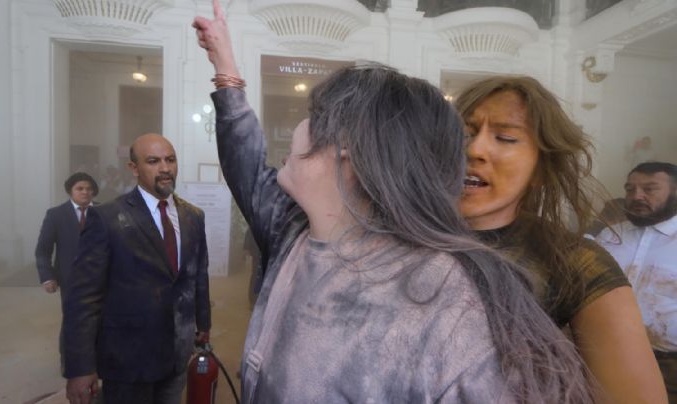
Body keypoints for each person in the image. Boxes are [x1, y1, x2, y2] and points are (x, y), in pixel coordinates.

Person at [194, 2, 593, 402]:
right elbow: (246, 165)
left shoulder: (449, 305)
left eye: (312, 114)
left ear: (348, 143)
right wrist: (225, 69)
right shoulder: (294, 233)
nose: (298, 127)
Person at [455, 76, 667, 403]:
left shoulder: (575, 262)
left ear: (541, 169)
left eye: (505, 137)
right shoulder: (388, 242)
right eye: (463, 134)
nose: (474, 149)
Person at [62, 134, 211, 404]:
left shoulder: (193, 216)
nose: (165, 168)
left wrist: (203, 323)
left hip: (177, 354)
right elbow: (83, 297)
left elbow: (197, 274)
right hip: (128, 360)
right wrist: (80, 367)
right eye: (153, 161)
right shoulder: (106, 218)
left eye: (170, 160)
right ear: (134, 168)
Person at [595, 161, 677, 403]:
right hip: (604, 355)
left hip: (668, 365)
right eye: (630, 189)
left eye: (649, 189)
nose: (636, 196)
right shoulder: (609, 234)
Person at [35, 172, 98, 296]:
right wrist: (47, 277)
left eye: (89, 189)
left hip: (101, 278)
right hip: (69, 279)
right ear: (70, 191)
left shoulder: (105, 211)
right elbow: (43, 250)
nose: (85, 192)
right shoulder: (56, 215)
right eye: (80, 188)